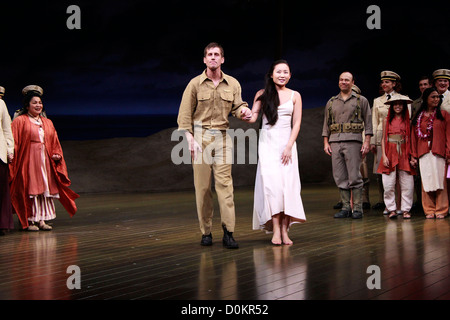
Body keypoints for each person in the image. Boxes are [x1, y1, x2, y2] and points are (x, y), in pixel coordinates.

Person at [177, 42, 252, 248]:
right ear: (204, 59)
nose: (212, 57)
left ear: (222, 59)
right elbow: (184, 115)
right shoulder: (194, 84)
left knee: (225, 186)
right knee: (202, 189)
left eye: (216, 54)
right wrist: (189, 138)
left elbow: (238, 106)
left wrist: (244, 111)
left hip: (222, 137)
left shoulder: (233, 84)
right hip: (200, 137)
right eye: (209, 54)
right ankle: (206, 232)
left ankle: (229, 232)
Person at [246, 60, 306, 245]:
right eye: (278, 71)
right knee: (272, 189)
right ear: (271, 75)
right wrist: (244, 113)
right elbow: (253, 117)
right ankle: (276, 231)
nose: (282, 75)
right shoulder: (262, 94)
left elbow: (296, 123)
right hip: (268, 145)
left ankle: (285, 230)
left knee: (286, 188)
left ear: (290, 75)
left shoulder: (295, 95)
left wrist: (289, 146)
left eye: (285, 72)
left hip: (286, 145)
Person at [9, 85, 79, 231]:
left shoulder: (47, 122)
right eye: (34, 102)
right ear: (27, 105)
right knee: (30, 189)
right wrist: (11, 154)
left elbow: (54, 141)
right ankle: (29, 221)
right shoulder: (20, 121)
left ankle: (41, 220)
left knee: (44, 190)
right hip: (28, 160)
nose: (38, 105)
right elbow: (13, 141)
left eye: (40, 102)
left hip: (44, 160)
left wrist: (57, 154)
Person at [322, 72, 373, 219]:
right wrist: (326, 142)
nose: (343, 82)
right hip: (335, 141)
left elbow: (368, 123)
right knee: (339, 175)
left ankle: (357, 208)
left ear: (352, 82)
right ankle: (345, 207)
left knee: (354, 175)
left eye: (347, 80)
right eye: (341, 80)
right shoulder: (331, 102)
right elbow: (326, 124)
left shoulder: (361, 100)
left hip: (353, 141)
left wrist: (367, 141)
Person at [410, 87, 450, 219]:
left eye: (438, 97)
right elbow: (414, 137)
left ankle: (441, 209)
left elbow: (448, 135)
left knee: (440, 181)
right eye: (433, 97)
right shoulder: (419, 117)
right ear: (426, 99)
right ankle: (429, 209)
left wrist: (448, 153)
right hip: (423, 152)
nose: (436, 99)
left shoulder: (444, 115)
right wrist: (413, 155)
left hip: (439, 151)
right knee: (426, 181)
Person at [377, 95, 416, 219]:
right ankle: (391, 208)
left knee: (407, 184)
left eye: (400, 104)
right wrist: (384, 155)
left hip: (405, 152)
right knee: (388, 184)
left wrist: (412, 157)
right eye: (395, 104)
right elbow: (383, 139)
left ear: (404, 106)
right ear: (392, 106)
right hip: (390, 151)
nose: (398, 106)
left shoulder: (408, 121)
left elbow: (412, 140)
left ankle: (405, 209)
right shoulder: (386, 121)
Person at [370, 71, 403, 212]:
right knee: (383, 172)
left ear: (394, 84)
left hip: (397, 139)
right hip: (381, 140)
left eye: (387, 82)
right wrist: (372, 141)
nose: (384, 84)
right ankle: (385, 203)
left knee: (399, 172)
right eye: (383, 82)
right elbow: (374, 121)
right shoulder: (377, 101)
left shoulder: (402, 99)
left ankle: (399, 203)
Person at [0, 90, 14, 235]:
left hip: (0, 153)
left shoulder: (0, 103)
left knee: (2, 191)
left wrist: (10, 150)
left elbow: (6, 128)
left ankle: (2, 223)